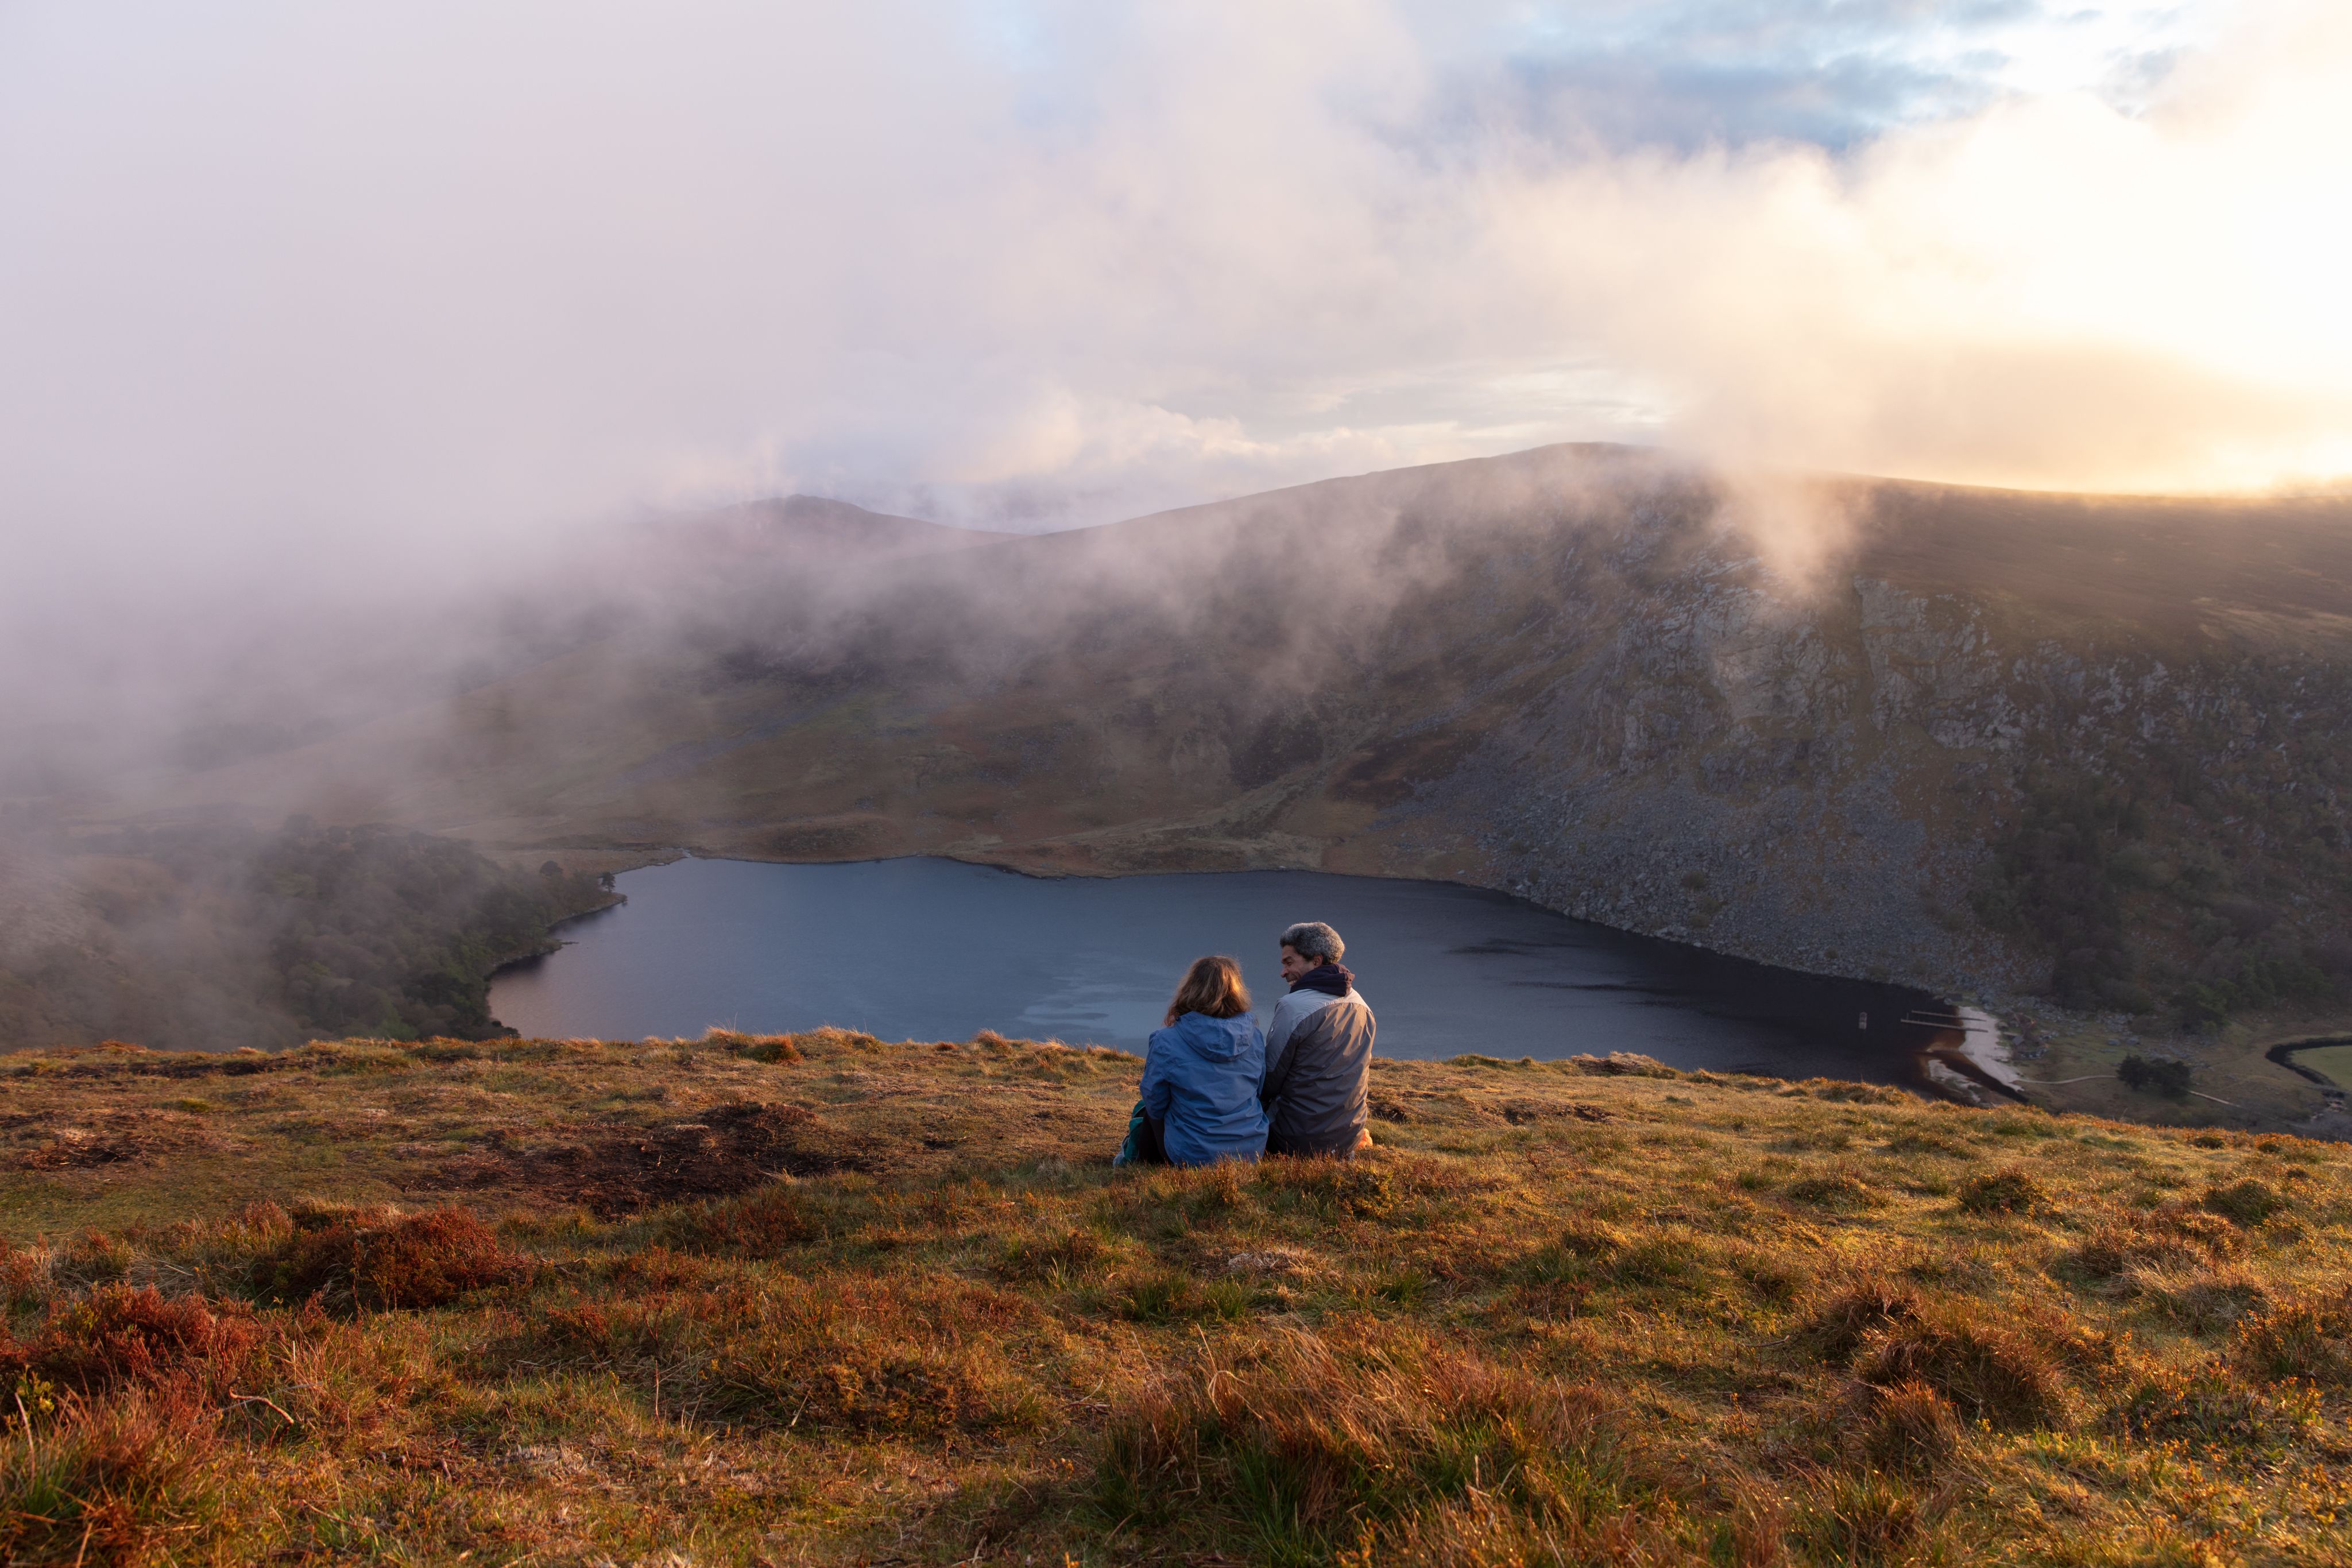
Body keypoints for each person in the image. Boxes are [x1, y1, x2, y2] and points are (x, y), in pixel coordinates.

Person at [1114, 955, 1269, 1167]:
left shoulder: (1166, 1040)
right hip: (1249, 1153)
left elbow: (1155, 1102)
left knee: (1149, 1110)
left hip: (1191, 1155)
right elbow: (1258, 1090)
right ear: (1236, 992)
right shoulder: (1255, 1038)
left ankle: (1135, 1159)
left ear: (1190, 988)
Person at [1261, 920, 1376, 1157]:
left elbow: (1269, 1080)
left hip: (1296, 1141)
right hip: (1348, 1136)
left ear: (1316, 960)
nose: (1283, 972)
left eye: (1289, 963)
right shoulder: (1361, 1005)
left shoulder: (1294, 1007)